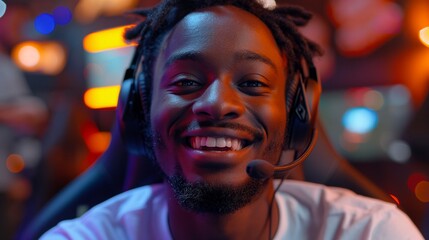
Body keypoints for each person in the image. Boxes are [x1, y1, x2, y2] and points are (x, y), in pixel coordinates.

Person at [41, 0, 423, 239]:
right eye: (187, 81)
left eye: (253, 82)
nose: (218, 104)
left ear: (295, 113)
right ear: (140, 108)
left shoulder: (372, 232)